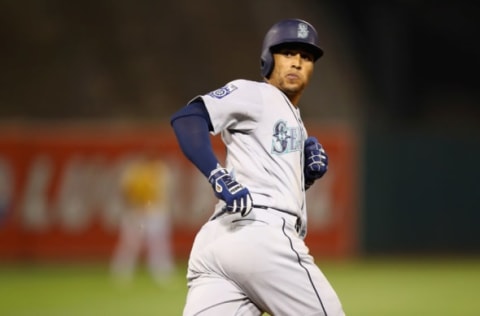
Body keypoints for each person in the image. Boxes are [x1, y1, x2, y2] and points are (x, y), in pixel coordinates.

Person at [170, 18, 344, 315]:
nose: (297, 62)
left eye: (306, 56)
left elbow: (267, 177)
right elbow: (188, 118)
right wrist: (217, 174)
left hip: (218, 245)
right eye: (288, 53)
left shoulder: (290, 117)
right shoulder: (255, 93)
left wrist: (303, 178)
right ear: (267, 58)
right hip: (260, 235)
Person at [110, 152, 174, 286]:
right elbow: (126, 191)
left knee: (158, 245)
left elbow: (163, 193)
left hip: (155, 211)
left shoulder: (160, 170)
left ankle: (162, 274)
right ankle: (121, 274)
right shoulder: (134, 171)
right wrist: (133, 208)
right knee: (130, 244)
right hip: (136, 210)